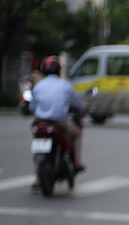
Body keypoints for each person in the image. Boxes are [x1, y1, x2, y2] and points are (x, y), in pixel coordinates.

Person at [29, 55, 86, 187]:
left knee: (37, 146)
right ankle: (77, 160)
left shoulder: (38, 86)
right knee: (77, 134)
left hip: (40, 122)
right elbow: (78, 104)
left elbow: (32, 106)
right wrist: (84, 107)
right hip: (59, 122)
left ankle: (37, 178)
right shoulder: (65, 85)